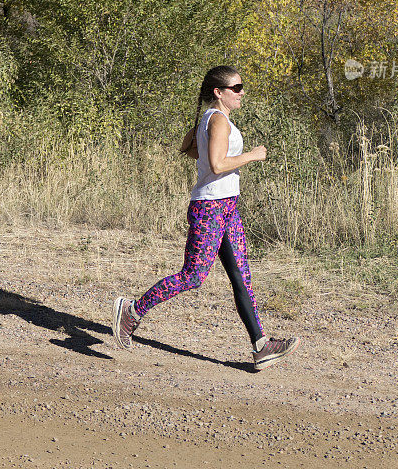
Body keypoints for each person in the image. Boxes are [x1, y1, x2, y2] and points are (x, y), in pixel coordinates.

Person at [112, 65, 300, 371]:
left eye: (242, 87)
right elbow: (215, 163)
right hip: (210, 209)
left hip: (227, 206)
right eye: (236, 88)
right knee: (194, 276)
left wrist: (204, 138)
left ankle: (261, 346)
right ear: (219, 92)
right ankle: (131, 311)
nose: (242, 93)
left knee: (241, 276)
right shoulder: (218, 121)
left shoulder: (212, 119)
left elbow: (187, 147)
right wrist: (253, 155)